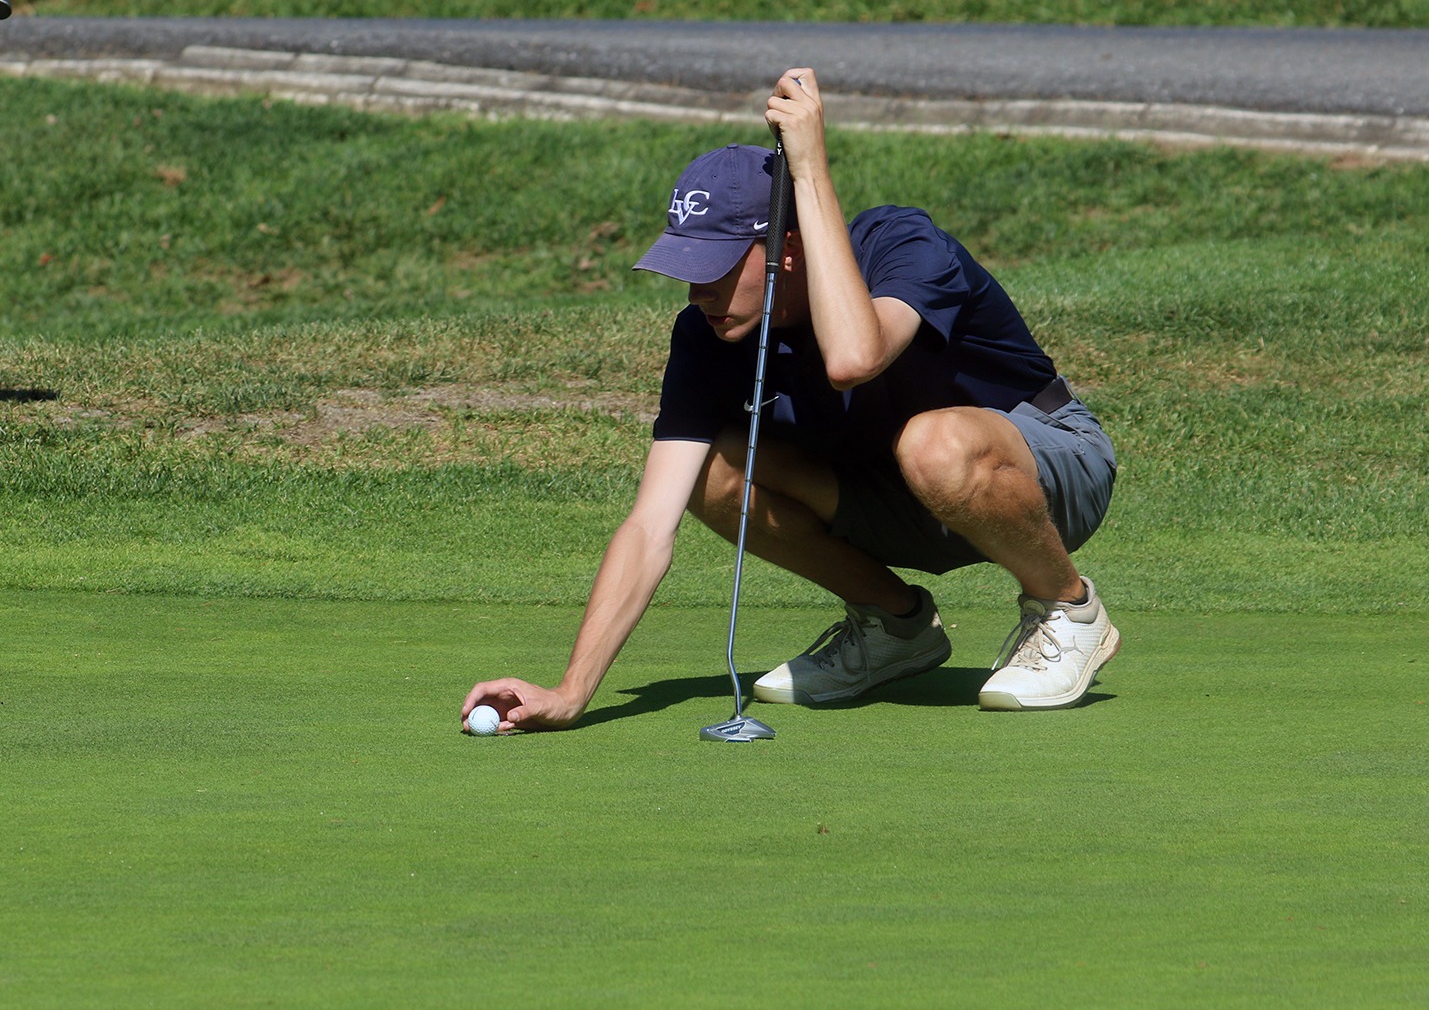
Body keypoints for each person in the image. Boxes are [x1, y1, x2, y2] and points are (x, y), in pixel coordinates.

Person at [462, 68, 1117, 733]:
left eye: (715, 265)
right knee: (712, 473)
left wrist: (808, 173)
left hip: (1046, 472)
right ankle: (896, 627)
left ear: (787, 253)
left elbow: (852, 360)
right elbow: (648, 526)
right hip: (898, 494)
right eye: (684, 267)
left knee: (934, 443)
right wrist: (571, 692)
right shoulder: (705, 336)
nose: (697, 292)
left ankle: (1068, 608)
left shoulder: (903, 246)